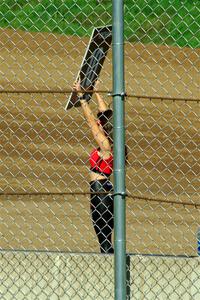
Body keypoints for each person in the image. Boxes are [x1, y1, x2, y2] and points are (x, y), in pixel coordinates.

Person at [73, 80, 114, 254]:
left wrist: (82, 97)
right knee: (104, 234)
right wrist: (97, 92)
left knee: (103, 236)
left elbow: (91, 122)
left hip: (100, 192)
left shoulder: (106, 145)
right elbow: (106, 114)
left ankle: (109, 264)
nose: (99, 119)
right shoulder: (114, 139)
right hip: (102, 189)